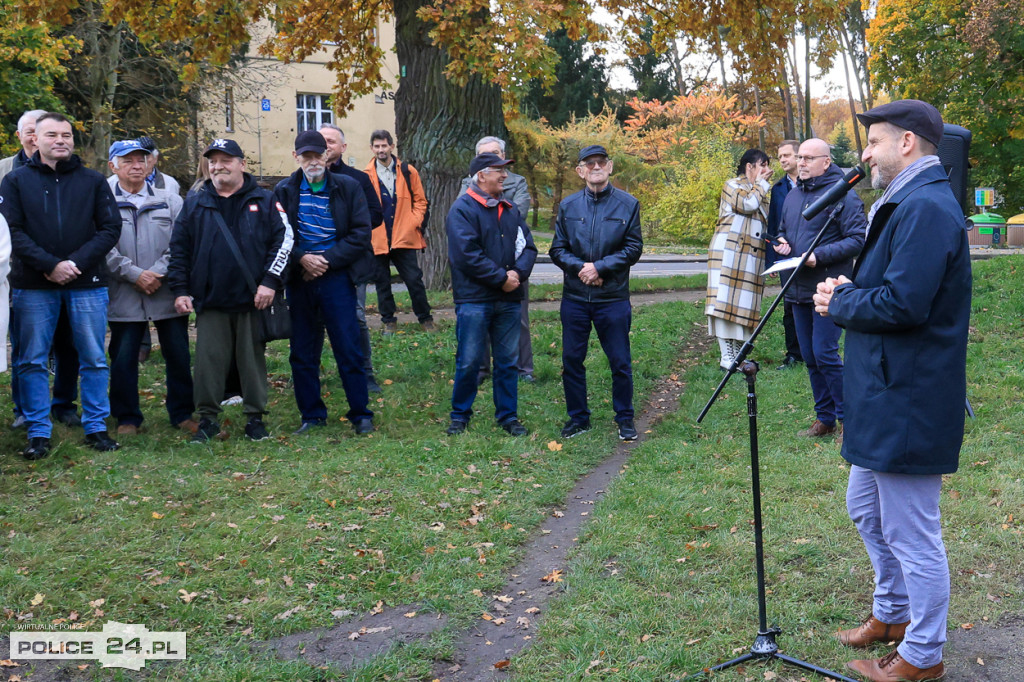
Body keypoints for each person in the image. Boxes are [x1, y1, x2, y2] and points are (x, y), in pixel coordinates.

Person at [814, 99, 970, 682]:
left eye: (874, 141)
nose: (866, 153)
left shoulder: (927, 207)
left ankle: (923, 657)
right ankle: (894, 614)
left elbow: (907, 303)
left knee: (912, 532)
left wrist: (841, 302)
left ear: (906, 144)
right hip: (885, 391)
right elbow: (895, 284)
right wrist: (851, 287)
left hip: (910, 397)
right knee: (864, 507)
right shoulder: (905, 201)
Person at [0, 112, 123, 459]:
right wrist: (50, 266)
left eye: (66, 135)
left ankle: (96, 426)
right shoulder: (15, 181)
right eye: (51, 134)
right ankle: (38, 431)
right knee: (32, 360)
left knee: (94, 358)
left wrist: (75, 264)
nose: (60, 140)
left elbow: (110, 229)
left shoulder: (93, 181)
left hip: (87, 284)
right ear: (34, 140)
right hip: (33, 286)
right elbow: (12, 231)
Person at [168, 138, 293, 443]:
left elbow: (284, 241)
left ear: (241, 164)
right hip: (210, 300)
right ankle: (207, 419)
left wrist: (270, 282)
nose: (218, 166)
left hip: (253, 299)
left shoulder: (265, 200)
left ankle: (255, 419)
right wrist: (180, 289)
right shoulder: (195, 203)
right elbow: (179, 249)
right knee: (209, 363)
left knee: (251, 362)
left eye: (225, 160)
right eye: (213, 161)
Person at [274, 130, 376, 435]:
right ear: (296, 158)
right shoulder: (284, 190)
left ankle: (360, 413)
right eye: (306, 156)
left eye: (318, 155)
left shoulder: (348, 187)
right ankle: (312, 415)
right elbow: (277, 235)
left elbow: (360, 233)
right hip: (300, 278)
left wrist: (326, 260)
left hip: (338, 276)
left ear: (327, 156)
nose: (313, 161)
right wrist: (303, 258)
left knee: (348, 347)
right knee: (303, 351)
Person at [550, 145, 643, 441]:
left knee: (620, 361)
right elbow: (557, 249)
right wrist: (583, 269)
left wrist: (601, 268)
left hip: (612, 298)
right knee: (572, 361)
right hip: (575, 298)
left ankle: (625, 419)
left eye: (601, 162)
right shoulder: (568, 206)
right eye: (589, 164)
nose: (595, 167)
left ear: (610, 166)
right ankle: (578, 418)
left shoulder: (628, 204)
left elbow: (633, 247)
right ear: (580, 171)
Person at [774, 138, 865, 438]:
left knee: (825, 353)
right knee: (810, 357)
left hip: (827, 289)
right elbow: (784, 230)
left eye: (808, 158)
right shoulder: (792, 196)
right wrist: (782, 242)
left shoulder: (844, 196)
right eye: (799, 157)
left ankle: (848, 419)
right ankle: (824, 418)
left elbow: (857, 239)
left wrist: (819, 256)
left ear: (826, 162)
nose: (801, 163)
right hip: (796, 288)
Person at [104, 139, 196, 436]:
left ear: (150, 164)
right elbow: (101, 246)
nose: (136, 165)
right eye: (128, 160)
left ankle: (182, 413)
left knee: (179, 356)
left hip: (165, 290)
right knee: (123, 357)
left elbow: (182, 243)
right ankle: (127, 417)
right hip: (124, 292)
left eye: (141, 160)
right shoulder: (102, 203)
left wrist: (156, 272)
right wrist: (133, 274)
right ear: (113, 166)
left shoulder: (169, 200)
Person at [445, 152, 536, 436]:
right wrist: (501, 279)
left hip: (508, 301)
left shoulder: (510, 210)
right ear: (481, 175)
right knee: (470, 360)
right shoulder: (462, 210)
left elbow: (529, 248)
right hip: (474, 300)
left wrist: (517, 275)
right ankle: (460, 416)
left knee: (508, 362)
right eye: (499, 170)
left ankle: (508, 417)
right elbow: (466, 255)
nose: (505, 176)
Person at [1, 110, 81, 430]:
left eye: (42, 131)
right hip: (20, 274)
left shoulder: (73, 171)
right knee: (25, 348)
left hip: (69, 273)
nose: (36, 137)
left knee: (68, 344)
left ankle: (63, 403)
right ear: (20, 136)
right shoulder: (6, 171)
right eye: (30, 131)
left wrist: (65, 264)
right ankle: (25, 408)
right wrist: (44, 264)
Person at [459, 136, 535, 383]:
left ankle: (523, 370)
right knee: (480, 321)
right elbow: (466, 215)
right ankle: (480, 371)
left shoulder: (517, 183)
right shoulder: (466, 188)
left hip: (512, 265)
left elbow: (519, 215)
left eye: (495, 153)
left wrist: (514, 274)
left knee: (518, 320)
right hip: (483, 270)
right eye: (484, 154)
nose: (495, 161)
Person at [320, 123, 384, 392]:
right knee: (311, 319)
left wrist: (345, 227)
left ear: (343, 148)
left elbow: (376, 215)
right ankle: (311, 376)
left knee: (356, 317)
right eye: (321, 141)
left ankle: (365, 373)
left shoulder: (358, 179)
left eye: (331, 141)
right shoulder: (300, 179)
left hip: (350, 261)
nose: (325, 146)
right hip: (313, 262)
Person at [705, 148, 773, 370]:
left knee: (740, 308)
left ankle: (735, 354)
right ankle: (727, 356)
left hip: (749, 257)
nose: (766, 170)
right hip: (729, 254)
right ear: (749, 167)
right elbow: (746, 205)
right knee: (725, 305)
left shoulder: (758, 191)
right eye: (762, 165)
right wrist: (762, 185)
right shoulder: (732, 185)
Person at [363, 129, 434, 334]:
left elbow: (421, 201)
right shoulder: (366, 175)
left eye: (384, 145)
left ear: (391, 146)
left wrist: (414, 222)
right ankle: (388, 322)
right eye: (376, 146)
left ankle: (426, 319)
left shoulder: (408, 171)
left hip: (405, 234)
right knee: (382, 282)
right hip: (378, 237)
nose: (380, 150)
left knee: (413, 279)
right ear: (372, 148)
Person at [765, 139, 804, 370]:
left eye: (786, 155)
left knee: (812, 303)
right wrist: (772, 259)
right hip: (785, 255)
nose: (782, 160)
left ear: (799, 157)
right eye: (780, 157)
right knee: (789, 304)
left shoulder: (816, 183)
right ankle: (793, 353)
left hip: (812, 254)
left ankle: (815, 351)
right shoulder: (778, 188)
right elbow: (772, 224)